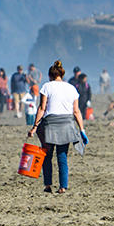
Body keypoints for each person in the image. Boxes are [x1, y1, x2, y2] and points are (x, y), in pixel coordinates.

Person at [29, 60, 86, 194]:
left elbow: (42, 108)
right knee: (62, 156)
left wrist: (34, 127)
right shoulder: (71, 88)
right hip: (67, 123)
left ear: (50, 76)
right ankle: (63, 187)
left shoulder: (47, 86)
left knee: (47, 155)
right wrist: (82, 130)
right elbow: (76, 111)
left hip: (50, 124)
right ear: (62, 75)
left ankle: (48, 185)